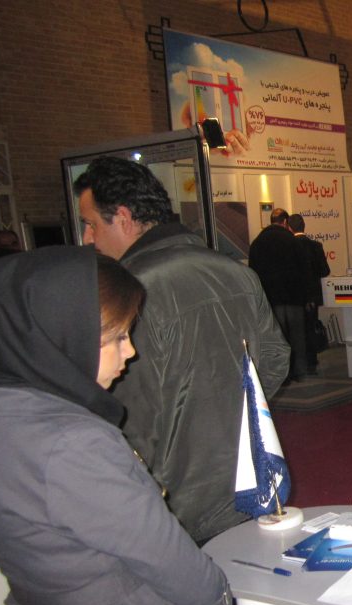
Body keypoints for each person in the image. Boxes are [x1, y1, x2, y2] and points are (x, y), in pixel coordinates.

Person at [0, 247, 270, 605]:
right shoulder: (72, 442)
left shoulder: (3, 414)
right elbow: (166, 557)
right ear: (57, 340)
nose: (130, 353)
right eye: (115, 338)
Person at [72, 156, 289, 544]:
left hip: (174, 503)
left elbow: (128, 423)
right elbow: (273, 361)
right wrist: (236, 421)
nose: (88, 238)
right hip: (246, 477)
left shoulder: (130, 295)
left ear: (122, 217)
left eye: (90, 224)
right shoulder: (236, 272)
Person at [248, 208, 309, 381]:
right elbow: (303, 269)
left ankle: (282, 375)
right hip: (293, 297)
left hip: (271, 300)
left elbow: (253, 273)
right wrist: (306, 297)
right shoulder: (292, 241)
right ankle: (300, 371)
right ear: (285, 222)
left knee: (277, 340)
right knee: (297, 337)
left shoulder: (258, 243)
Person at [287, 213, 330, 375]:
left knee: (297, 330)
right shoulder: (316, 246)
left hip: (296, 296)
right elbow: (325, 270)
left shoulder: (289, 247)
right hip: (313, 296)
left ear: (289, 227)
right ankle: (312, 360)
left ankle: (300, 363)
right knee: (311, 326)